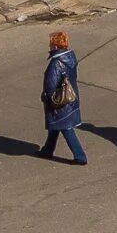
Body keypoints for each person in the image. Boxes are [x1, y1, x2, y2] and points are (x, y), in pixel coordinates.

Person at [40, 29, 86, 163]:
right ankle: (47, 150)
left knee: (65, 128)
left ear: (55, 46)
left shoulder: (56, 63)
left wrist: (46, 96)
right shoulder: (70, 58)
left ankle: (80, 156)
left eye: (51, 44)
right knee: (56, 126)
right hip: (71, 97)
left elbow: (51, 84)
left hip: (60, 101)